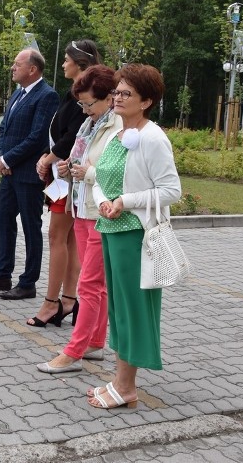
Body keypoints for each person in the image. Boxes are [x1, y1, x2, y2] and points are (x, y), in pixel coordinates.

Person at [85, 64, 181, 409]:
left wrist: (126, 202)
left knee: (133, 310)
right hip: (112, 229)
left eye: (126, 93)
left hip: (136, 235)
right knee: (120, 310)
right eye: (117, 92)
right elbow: (101, 178)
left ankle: (127, 387)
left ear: (147, 101)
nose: (118, 98)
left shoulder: (153, 137)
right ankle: (119, 380)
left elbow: (172, 190)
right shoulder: (117, 134)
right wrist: (105, 202)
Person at [36, 64, 122, 373]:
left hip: (101, 211)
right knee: (95, 283)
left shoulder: (118, 128)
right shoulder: (91, 124)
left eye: (89, 103)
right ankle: (95, 343)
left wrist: (88, 172)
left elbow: (121, 174)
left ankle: (73, 351)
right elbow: (80, 157)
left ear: (109, 97)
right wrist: (67, 167)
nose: (84, 110)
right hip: (81, 208)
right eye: (81, 104)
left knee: (88, 284)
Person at [0, 48, 59, 295]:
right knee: (3, 221)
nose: (12, 67)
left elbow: (37, 136)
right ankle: (2, 274)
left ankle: (28, 282)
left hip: (28, 175)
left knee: (31, 228)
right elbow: (6, 129)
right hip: (9, 174)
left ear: (32, 69)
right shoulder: (18, 93)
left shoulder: (46, 95)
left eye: (16, 64)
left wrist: (8, 159)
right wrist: (1, 158)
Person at [25, 41, 98, 322]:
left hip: (69, 177)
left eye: (67, 60)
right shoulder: (74, 94)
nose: (63, 65)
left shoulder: (86, 96)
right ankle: (68, 300)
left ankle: (52, 302)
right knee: (68, 239)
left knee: (59, 237)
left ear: (80, 64)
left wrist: (49, 158)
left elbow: (72, 137)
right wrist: (48, 156)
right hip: (62, 178)